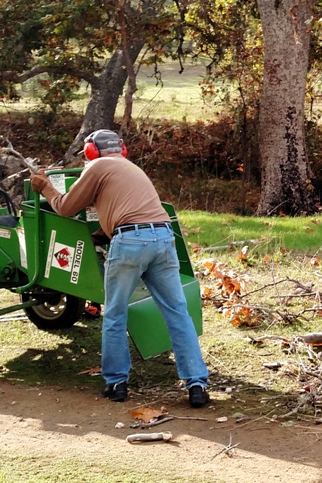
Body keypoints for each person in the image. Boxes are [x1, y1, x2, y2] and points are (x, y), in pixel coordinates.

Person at [30, 129, 210, 407]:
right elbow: (126, 207)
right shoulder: (131, 168)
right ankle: (196, 385)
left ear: (91, 152)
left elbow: (65, 208)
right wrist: (104, 231)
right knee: (177, 313)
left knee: (115, 314)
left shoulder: (98, 166)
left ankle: (116, 383)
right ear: (121, 149)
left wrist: (45, 187)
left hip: (130, 242)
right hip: (163, 236)